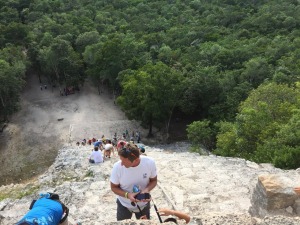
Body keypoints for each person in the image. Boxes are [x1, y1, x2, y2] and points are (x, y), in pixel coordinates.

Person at [110, 142, 158, 221]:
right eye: (121, 160)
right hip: (124, 205)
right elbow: (113, 187)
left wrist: (146, 190)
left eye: (124, 161)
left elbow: (154, 180)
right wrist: (127, 195)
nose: (121, 164)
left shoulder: (149, 163)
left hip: (143, 205)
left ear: (135, 160)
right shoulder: (117, 167)